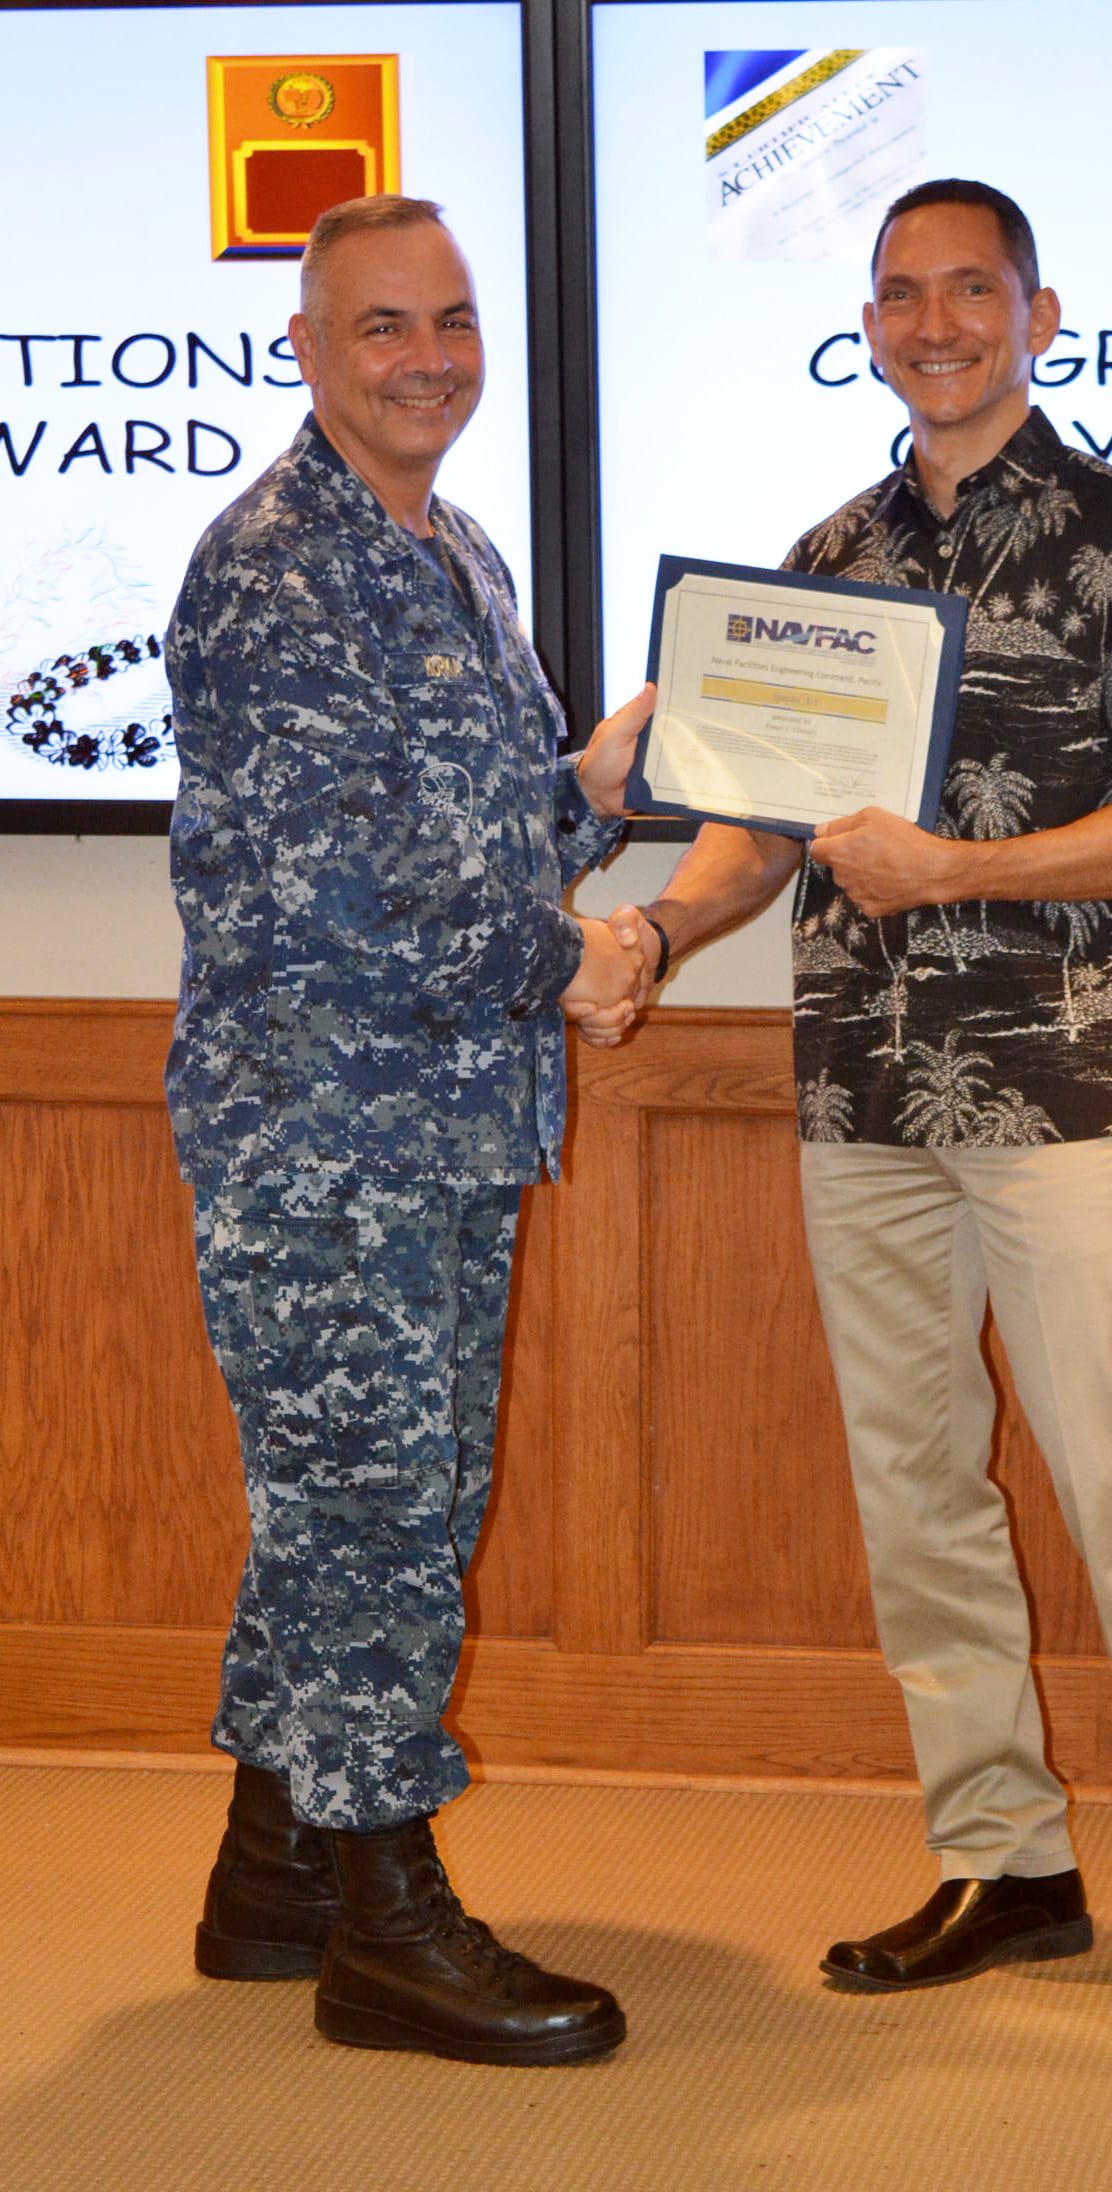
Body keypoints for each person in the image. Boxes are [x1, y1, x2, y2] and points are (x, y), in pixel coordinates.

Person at [612, 179, 1112, 2029]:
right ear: (870, 320)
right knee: (916, 1494)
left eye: (969, 291)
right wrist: (657, 929)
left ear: (1039, 312)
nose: (934, 324)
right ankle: (1006, 1861)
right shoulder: (822, 558)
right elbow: (757, 829)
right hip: (863, 1088)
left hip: (1065, 1085)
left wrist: (955, 877)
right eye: (901, 295)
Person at [166, 194, 651, 2066]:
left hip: (440, 1125)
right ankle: (388, 1919)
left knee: (380, 1498)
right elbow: (357, 887)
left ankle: (273, 1873)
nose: (430, 355)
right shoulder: (277, 564)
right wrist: (576, 957)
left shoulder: (450, 548)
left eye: (451, 320)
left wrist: (591, 791)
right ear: (306, 348)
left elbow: (467, 834)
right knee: (372, 1510)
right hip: (326, 1136)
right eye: (383, 326)